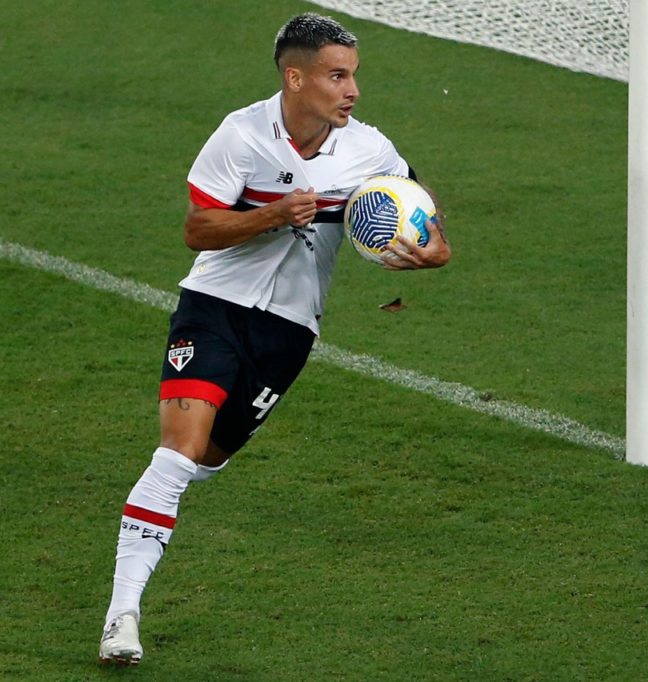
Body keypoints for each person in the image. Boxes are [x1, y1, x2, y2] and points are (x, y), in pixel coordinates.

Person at [98, 12, 451, 666]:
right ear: (296, 77)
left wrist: (433, 248)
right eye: (336, 76)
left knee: (205, 459)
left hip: (288, 332)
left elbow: (416, 201)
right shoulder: (242, 136)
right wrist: (267, 216)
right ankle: (122, 616)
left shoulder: (368, 148)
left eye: (353, 76)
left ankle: (160, 500)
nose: (351, 91)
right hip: (214, 309)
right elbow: (198, 228)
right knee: (176, 454)